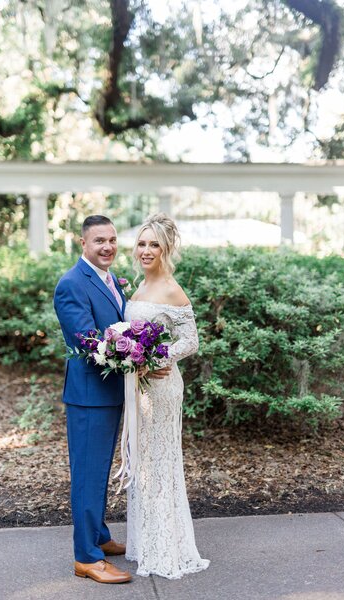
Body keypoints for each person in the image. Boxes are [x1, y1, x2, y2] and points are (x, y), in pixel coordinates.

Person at [124, 212, 210, 579]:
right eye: (142, 243)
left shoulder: (172, 289)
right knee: (143, 462)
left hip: (162, 386)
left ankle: (167, 549)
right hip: (139, 388)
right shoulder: (139, 288)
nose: (146, 250)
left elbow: (191, 341)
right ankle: (147, 541)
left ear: (166, 248)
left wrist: (156, 358)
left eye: (153, 244)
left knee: (160, 462)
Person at [53, 215, 132, 584]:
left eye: (113, 240)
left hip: (111, 392)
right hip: (89, 396)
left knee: (98, 469)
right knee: (87, 474)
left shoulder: (110, 279)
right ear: (82, 243)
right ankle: (86, 557)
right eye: (100, 240)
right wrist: (135, 353)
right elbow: (88, 342)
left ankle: (98, 536)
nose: (108, 247)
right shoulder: (71, 283)